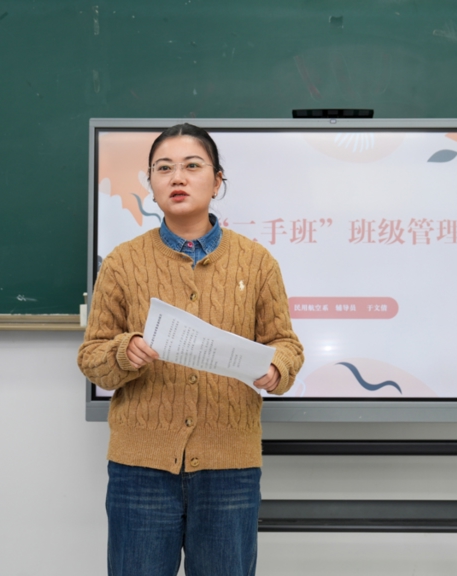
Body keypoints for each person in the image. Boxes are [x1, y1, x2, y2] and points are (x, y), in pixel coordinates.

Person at [78, 123, 303, 576]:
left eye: (192, 166)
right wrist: (124, 352)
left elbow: (287, 344)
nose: (177, 178)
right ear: (150, 184)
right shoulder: (122, 262)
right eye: (163, 169)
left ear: (217, 181)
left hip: (229, 468)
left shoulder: (257, 262)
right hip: (140, 470)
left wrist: (277, 367)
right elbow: (91, 357)